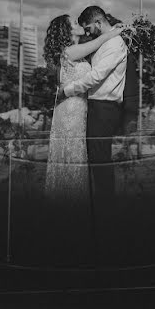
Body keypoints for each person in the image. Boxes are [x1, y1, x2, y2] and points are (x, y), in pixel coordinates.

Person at [43, 13, 124, 206]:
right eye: (72, 23)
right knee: (72, 152)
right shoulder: (70, 52)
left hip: (77, 106)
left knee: (76, 152)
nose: (78, 24)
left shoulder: (73, 51)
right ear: (66, 30)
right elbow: (100, 41)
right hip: (71, 108)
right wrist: (117, 31)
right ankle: (71, 201)